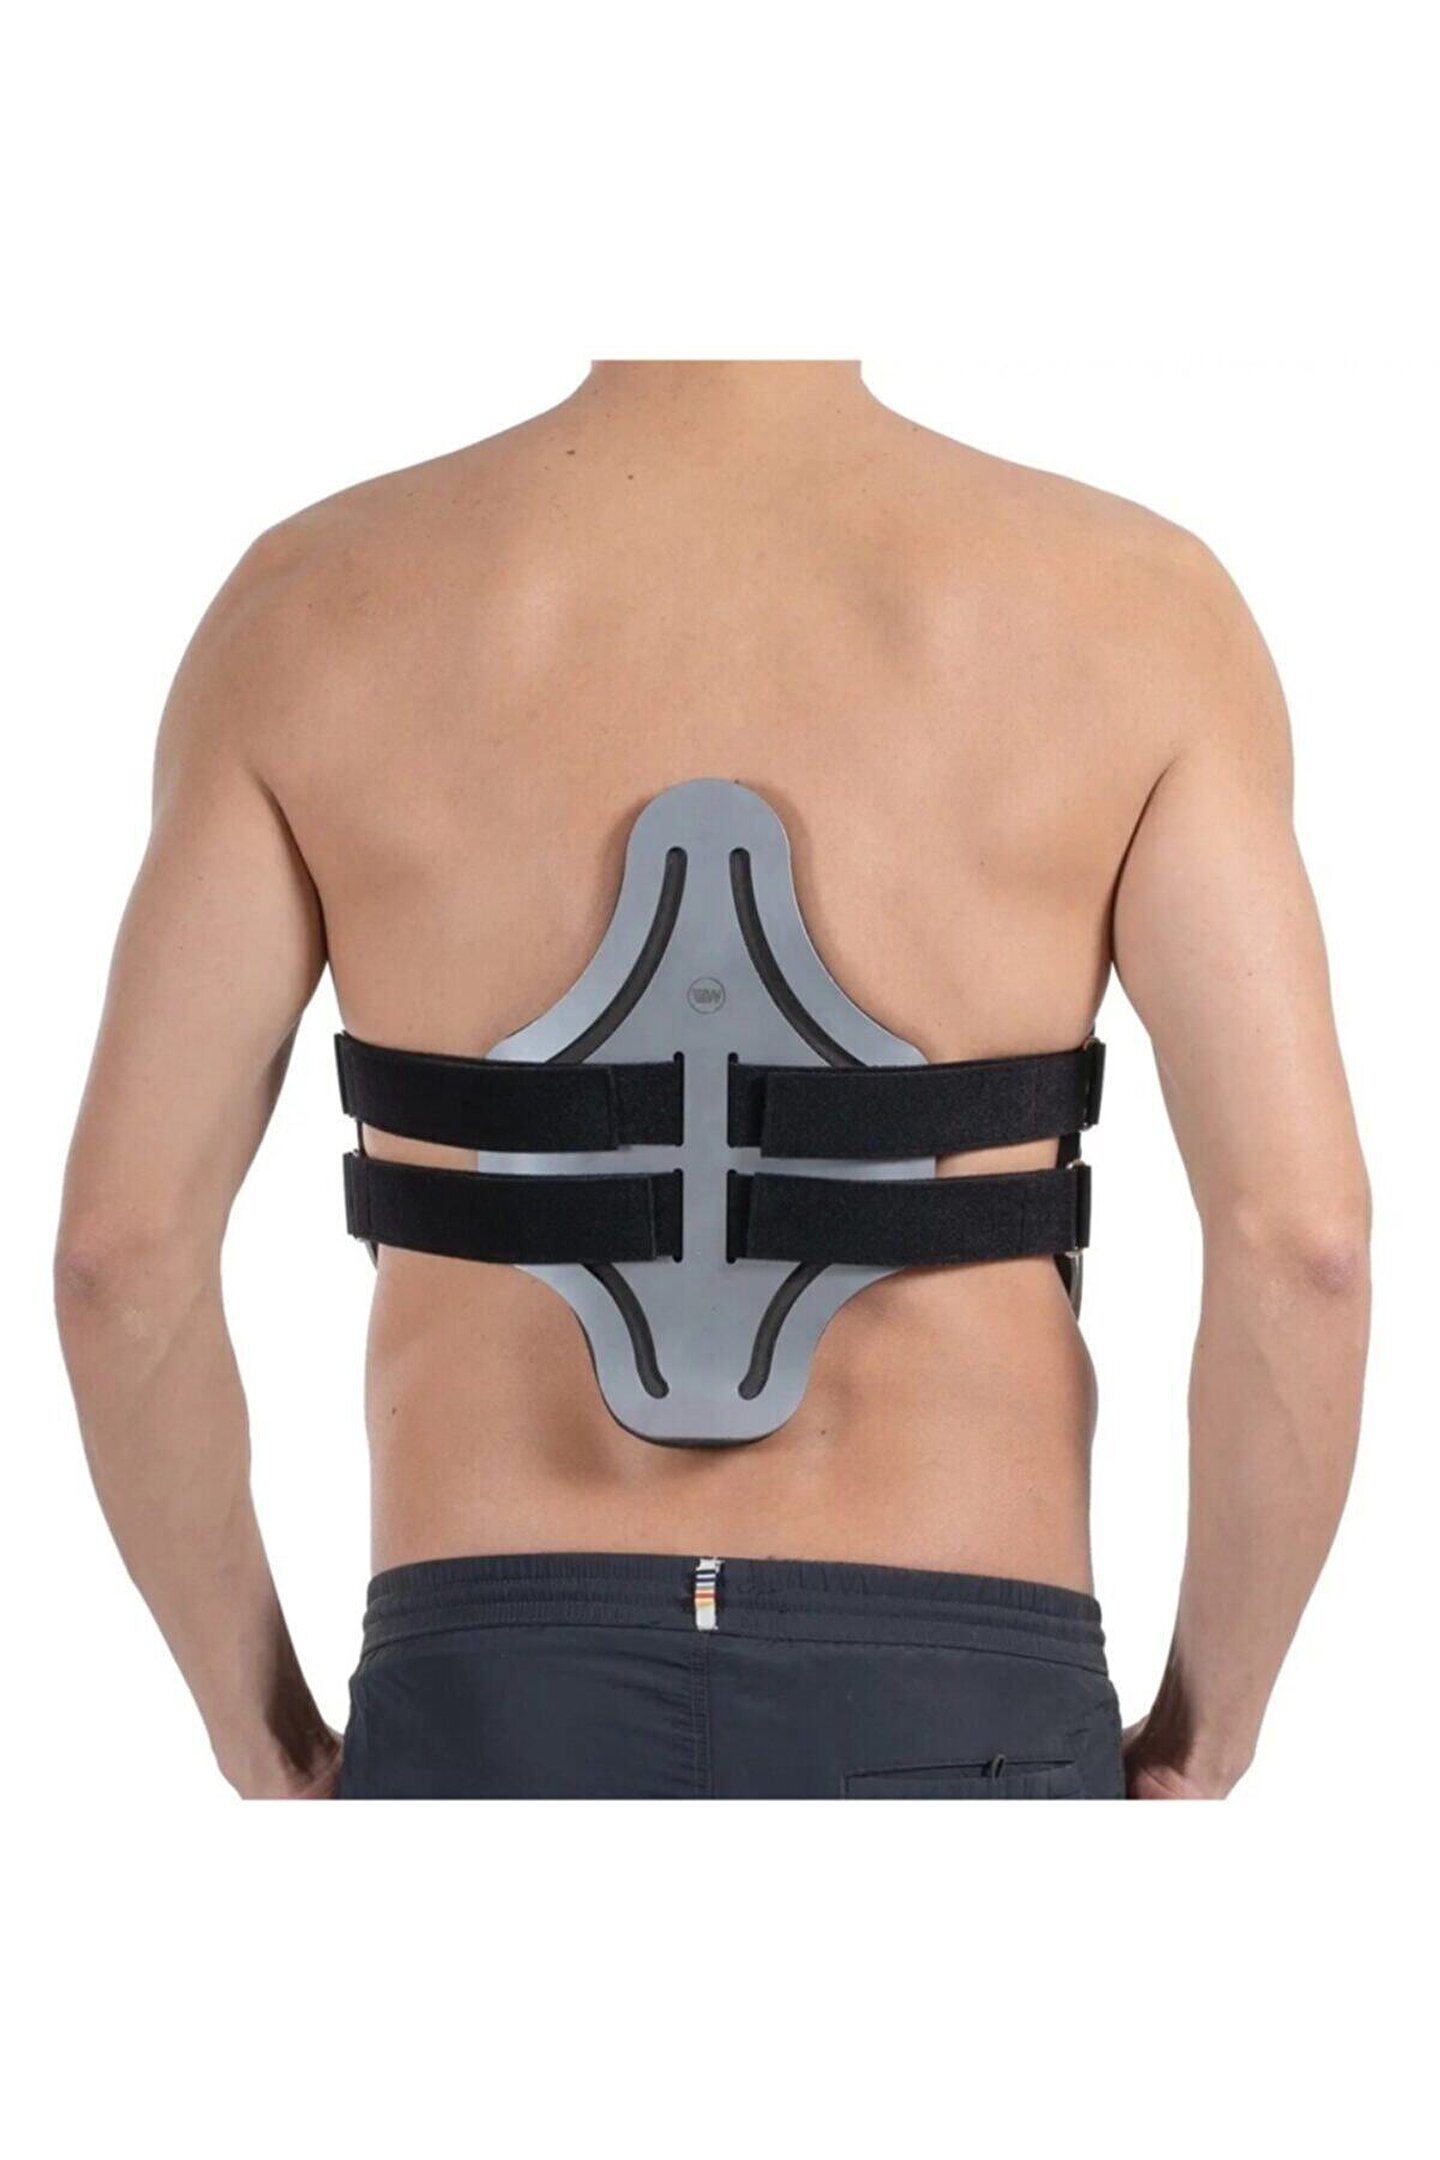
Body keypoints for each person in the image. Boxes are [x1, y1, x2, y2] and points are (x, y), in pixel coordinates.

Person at [55, 362, 1370, 1799]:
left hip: (490, 1689)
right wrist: (1208, 1737)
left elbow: (122, 1258)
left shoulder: (308, 606)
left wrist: (263, 1739)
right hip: (960, 1683)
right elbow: (1302, 1248)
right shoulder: (1139, 608)